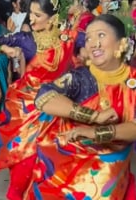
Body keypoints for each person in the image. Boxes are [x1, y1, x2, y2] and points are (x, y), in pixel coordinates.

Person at [0, 0, 78, 199]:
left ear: (54, 18)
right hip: (28, 115)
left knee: (54, 175)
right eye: (30, 13)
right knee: (22, 171)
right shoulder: (25, 39)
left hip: (59, 114)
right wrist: (3, 48)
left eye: (37, 15)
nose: (31, 19)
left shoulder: (70, 39)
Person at [33, 14, 136, 199]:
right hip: (71, 173)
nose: (93, 43)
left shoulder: (133, 81)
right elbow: (44, 97)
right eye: (88, 38)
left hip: (113, 174)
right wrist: (93, 117)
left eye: (101, 35)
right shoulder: (82, 77)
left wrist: (96, 133)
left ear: (121, 43)